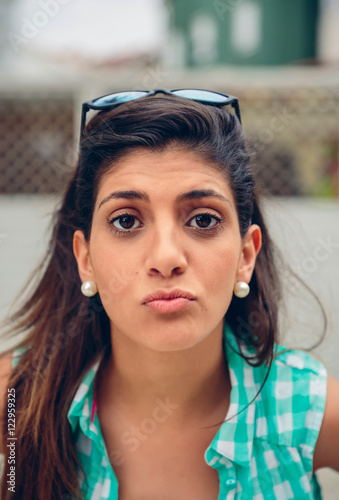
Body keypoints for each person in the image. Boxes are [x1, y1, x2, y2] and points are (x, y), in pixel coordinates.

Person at [0, 88, 338, 500]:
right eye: (126, 221)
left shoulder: (307, 408)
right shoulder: (19, 400)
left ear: (245, 255)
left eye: (202, 219)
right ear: (85, 259)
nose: (166, 257)